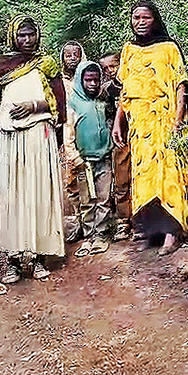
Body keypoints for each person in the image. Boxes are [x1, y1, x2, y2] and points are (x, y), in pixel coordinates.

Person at [0, 16, 66, 283]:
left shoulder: (46, 63)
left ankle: (39, 255)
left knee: (39, 190)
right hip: (10, 136)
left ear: (38, 35)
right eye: (21, 35)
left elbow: (59, 100)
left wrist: (34, 106)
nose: (27, 40)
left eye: (31, 34)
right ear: (12, 37)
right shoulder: (2, 66)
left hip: (39, 132)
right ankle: (15, 258)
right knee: (14, 193)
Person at [112, 1, 188, 255]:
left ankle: (172, 233)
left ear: (155, 20)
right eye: (136, 17)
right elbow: (125, 91)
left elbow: (181, 85)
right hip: (140, 125)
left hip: (166, 120)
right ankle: (151, 230)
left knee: (170, 174)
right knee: (144, 176)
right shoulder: (129, 50)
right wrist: (118, 122)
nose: (140, 22)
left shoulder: (169, 48)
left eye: (145, 17)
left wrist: (178, 120)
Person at [68, 61, 114, 258]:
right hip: (84, 161)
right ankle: (88, 235)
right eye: (88, 80)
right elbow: (68, 134)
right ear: (81, 80)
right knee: (87, 201)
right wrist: (75, 158)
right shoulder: (73, 103)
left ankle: (101, 234)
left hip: (104, 158)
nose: (93, 84)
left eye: (96, 80)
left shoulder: (103, 101)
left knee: (104, 198)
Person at [99, 51, 132, 242]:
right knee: (121, 179)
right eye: (105, 68)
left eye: (113, 66)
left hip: (141, 133)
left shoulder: (134, 81)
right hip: (120, 138)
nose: (110, 70)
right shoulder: (106, 89)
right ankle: (123, 221)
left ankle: (141, 219)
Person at [60, 41, 86, 243]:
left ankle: (91, 220)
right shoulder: (58, 81)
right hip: (66, 132)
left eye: (75, 54)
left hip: (86, 130)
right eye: (67, 55)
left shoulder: (88, 77)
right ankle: (77, 220)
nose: (72, 59)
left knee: (90, 175)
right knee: (71, 179)